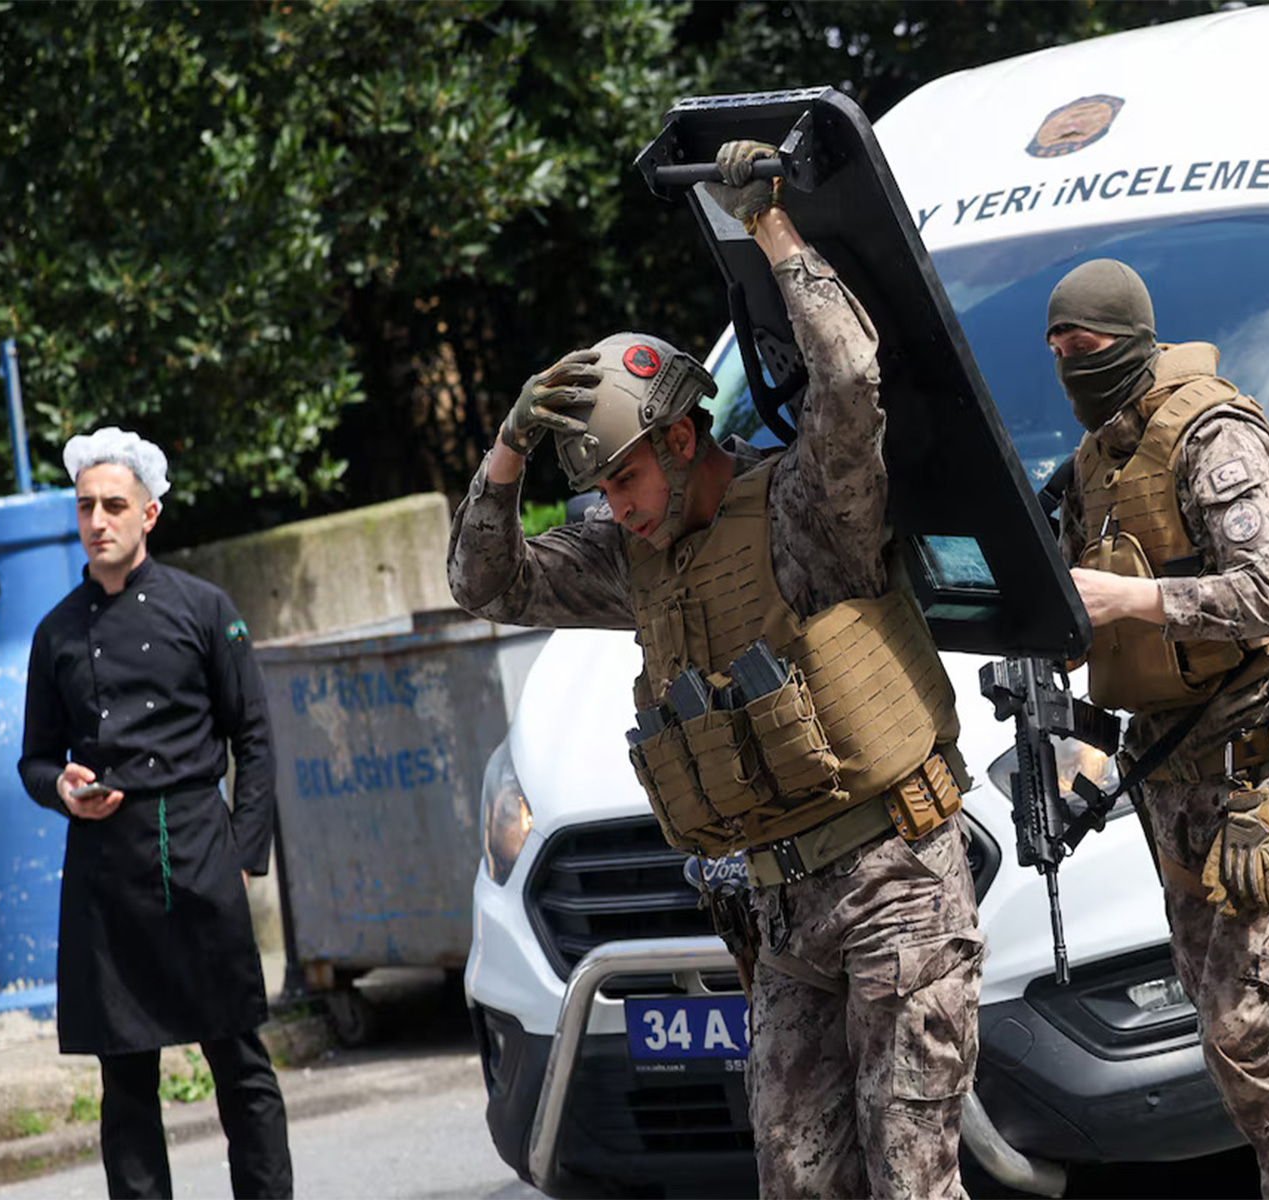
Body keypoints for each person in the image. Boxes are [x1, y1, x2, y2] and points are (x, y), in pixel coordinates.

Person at [448, 141, 981, 1198]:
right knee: (794, 1177)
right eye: (599, 490)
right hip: (781, 914)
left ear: (687, 439)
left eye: (628, 477)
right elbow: (487, 583)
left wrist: (768, 225)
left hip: (894, 888)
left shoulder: (802, 512)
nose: (617, 506)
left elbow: (848, 375)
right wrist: (507, 450)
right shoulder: (632, 560)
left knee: (912, 1177)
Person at [1045, 259, 1269, 1200]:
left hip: (1266, 776)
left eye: (1086, 347)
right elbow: (1077, 609)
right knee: (1220, 1023)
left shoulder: (1212, 436)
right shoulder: (1096, 464)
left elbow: (1264, 596)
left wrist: (1131, 598)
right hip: (1174, 782)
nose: (1069, 364)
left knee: (1243, 1028)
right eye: (1056, 349)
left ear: (1132, 342)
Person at [18, 427, 293, 1200]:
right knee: (126, 1079)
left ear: (150, 515)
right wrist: (62, 789)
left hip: (199, 852)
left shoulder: (204, 609)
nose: (97, 520)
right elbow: (34, 759)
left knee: (240, 1060)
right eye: (85, 508)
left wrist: (244, 847)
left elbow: (254, 733)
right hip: (104, 870)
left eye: (113, 505)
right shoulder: (57, 633)